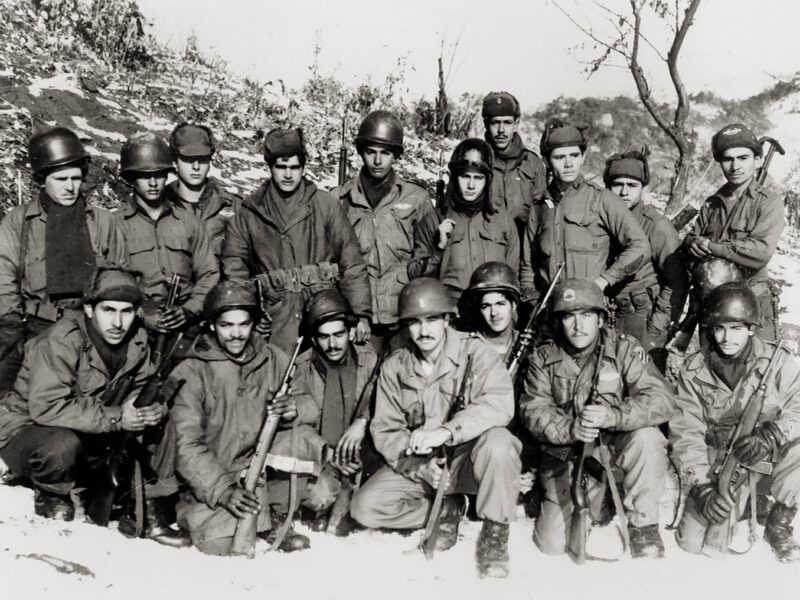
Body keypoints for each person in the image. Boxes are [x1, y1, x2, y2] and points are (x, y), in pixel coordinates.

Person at [0, 266, 189, 547]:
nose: (118, 322)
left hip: (92, 431)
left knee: (162, 424)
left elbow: (143, 386)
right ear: (89, 309)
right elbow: (48, 407)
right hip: (29, 432)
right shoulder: (61, 340)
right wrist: (117, 419)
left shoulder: (136, 340)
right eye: (108, 310)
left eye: (126, 312)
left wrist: (151, 410)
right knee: (60, 445)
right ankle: (52, 492)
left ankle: (147, 506)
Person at [350, 278, 521, 578]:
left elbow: (500, 404)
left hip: (469, 463)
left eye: (432, 319)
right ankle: (447, 509)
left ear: (447, 319)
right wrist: (420, 468)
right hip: (425, 469)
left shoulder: (476, 353)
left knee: (500, 443)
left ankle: (495, 535)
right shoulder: (395, 367)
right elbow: (387, 431)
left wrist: (448, 431)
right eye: (414, 322)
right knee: (364, 508)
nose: (424, 330)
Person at [169, 279, 335, 555]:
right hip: (217, 475)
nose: (236, 334)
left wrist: (292, 408)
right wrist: (223, 491)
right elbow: (186, 447)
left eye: (243, 324)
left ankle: (276, 514)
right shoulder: (191, 370)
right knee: (218, 545)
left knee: (323, 493)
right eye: (226, 325)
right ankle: (258, 517)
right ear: (212, 325)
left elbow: (309, 405)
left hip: (264, 470)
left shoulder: (273, 358)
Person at [520, 278, 673, 559]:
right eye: (569, 316)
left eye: (587, 316)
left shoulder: (625, 349)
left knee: (648, 439)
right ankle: (594, 502)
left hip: (614, 450)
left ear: (601, 319)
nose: (578, 326)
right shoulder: (543, 357)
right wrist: (569, 428)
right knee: (552, 546)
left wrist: (614, 415)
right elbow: (533, 410)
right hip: (569, 455)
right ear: (559, 322)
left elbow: (661, 401)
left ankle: (643, 524)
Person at [670, 282, 800, 563]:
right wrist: (701, 487)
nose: (727, 337)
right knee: (692, 544)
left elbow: (798, 407)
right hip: (719, 461)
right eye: (720, 327)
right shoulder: (694, 369)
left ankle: (779, 522)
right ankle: (742, 502)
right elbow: (685, 432)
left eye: (737, 328)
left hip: (767, 457)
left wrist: (774, 433)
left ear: (752, 328)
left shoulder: (777, 361)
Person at [0, 127, 128, 393]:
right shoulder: (19, 222)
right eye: (60, 179)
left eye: (76, 178)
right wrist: (13, 328)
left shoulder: (103, 222)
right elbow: (4, 279)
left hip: (89, 333)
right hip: (33, 330)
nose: (70, 187)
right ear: (42, 179)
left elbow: (120, 278)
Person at [222, 127, 372, 353]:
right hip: (274, 322)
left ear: (303, 167)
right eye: (281, 167)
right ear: (270, 168)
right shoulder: (248, 213)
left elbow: (351, 261)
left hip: (324, 315)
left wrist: (359, 314)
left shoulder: (325, 205)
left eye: (294, 167)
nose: (288, 175)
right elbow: (235, 272)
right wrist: (250, 315)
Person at [333, 110, 434, 354]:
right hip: (360, 317)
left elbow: (428, 261)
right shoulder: (339, 200)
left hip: (404, 314)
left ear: (396, 155)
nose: (378, 161)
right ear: (361, 152)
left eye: (386, 153)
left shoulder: (416, 199)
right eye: (371, 152)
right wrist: (352, 315)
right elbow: (333, 265)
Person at [519, 119, 649, 308]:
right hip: (550, 308)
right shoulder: (540, 206)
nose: (569, 163)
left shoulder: (602, 199)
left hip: (589, 308)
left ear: (583, 156)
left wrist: (603, 282)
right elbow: (528, 264)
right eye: (559, 157)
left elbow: (640, 247)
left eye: (574, 155)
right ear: (546, 160)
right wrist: (530, 298)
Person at [115, 132, 219, 355]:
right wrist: (143, 313)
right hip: (135, 328)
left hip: (187, 329)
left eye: (160, 174)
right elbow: (110, 280)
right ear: (131, 178)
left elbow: (209, 274)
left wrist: (190, 310)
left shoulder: (189, 223)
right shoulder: (115, 225)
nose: (153, 183)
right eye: (145, 176)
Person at [682, 123, 784, 341]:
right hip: (712, 306)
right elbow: (692, 241)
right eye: (728, 159)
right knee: (712, 370)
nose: (735, 166)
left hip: (750, 306)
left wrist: (711, 247)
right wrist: (693, 245)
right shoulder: (712, 204)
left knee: (757, 370)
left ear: (757, 161)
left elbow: (760, 252)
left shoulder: (769, 202)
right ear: (720, 162)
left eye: (743, 158)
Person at [292, 288, 378, 533]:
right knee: (320, 496)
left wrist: (363, 423)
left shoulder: (369, 361)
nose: (332, 344)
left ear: (351, 332)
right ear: (314, 339)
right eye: (324, 337)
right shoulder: (302, 369)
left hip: (364, 457)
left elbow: (386, 406)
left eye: (339, 334)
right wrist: (327, 454)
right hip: (324, 458)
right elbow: (298, 426)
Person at [410, 138, 519, 305]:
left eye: (478, 178)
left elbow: (513, 277)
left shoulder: (503, 221)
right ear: (455, 177)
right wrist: (438, 249)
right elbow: (415, 276)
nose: (471, 185)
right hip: (451, 313)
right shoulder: (433, 221)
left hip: (491, 312)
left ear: (487, 180)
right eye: (465, 176)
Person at [604, 150, 689, 349]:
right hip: (609, 317)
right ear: (608, 187)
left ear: (642, 187)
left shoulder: (657, 226)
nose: (624, 192)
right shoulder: (600, 220)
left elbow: (677, 282)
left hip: (642, 318)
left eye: (632, 185)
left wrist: (656, 330)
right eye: (618, 184)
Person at [165, 122, 240, 262]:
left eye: (202, 159)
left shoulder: (234, 208)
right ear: (175, 162)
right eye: (188, 159)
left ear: (210, 161)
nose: (196, 167)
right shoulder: (159, 205)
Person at [481, 91, 547, 240]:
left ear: (516, 124)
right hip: (487, 246)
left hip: (525, 245)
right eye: (495, 122)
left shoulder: (533, 163)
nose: (501, 130)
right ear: (486, 124)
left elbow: (544, 206)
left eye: (507, 122)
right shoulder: (477, 161)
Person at [460, 261, 520, 362]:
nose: (494, 313)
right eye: (486, 306)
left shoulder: (527, 345)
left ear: (513, 305)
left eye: (500, 304)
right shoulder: (469, 348)